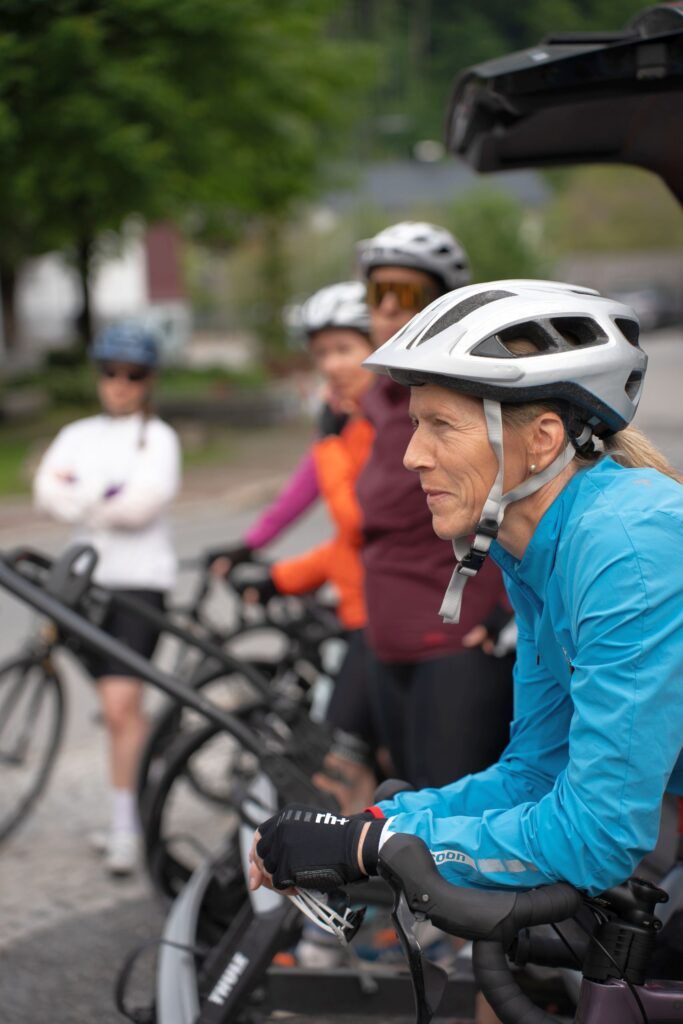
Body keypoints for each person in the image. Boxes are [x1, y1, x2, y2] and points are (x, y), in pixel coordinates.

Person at [249, 280, 683, 908]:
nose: (411, 456)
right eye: (414, 423)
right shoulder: (531, 549)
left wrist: (376, 847)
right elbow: (536, 771)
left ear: (543, 441)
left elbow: (600, 835)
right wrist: (372, 823)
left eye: (440, 426)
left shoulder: (625, 546)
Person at [354, 222, 515, 789]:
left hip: (454, 648)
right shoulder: (374, 404)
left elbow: (514, 499)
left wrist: (507, 611)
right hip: (385, 641)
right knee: (406, 820)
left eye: (410, 294)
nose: (392, 308)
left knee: (447, 844)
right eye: (379, 293)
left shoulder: (464, 402)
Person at [33, 322, 181, 875]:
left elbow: (141, 507)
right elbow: (45, 490)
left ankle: (127, 826)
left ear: (148, 380)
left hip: (138, 586)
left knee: (122, 710)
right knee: (116, 710)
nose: (120, 384)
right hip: (84, 587)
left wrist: (79, 495)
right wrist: (103, 498)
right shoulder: (77, 433)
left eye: (133, 374)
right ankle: (130, 797)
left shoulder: (159, 438)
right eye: (110, 373)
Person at [229, 282, 378, 811]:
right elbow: (306, 496)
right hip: (364, 613)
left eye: (344, 349)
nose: (332, 365)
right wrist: (259, 556)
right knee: (351, 759)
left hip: (385, 621)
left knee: (344, 760)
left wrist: (330, 442)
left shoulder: (383, 428)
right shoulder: (352, 423)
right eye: (321, 354)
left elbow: (358, 522)